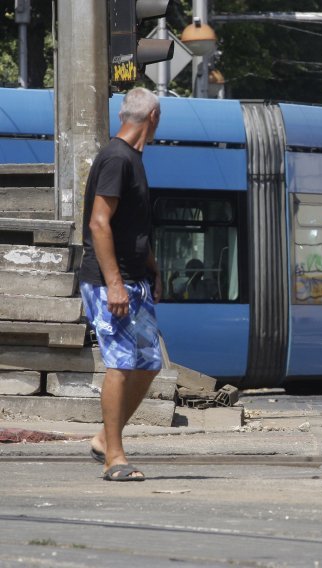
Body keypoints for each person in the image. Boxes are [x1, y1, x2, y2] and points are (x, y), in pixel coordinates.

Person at [78, 88, 163, 482]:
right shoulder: (116, 158)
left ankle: (103, 439)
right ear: (154, 117)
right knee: (122, 363)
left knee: (148, 363)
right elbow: (99, 223)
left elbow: (131, 227)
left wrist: (151, 265)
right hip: (112, 281)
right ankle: (114, 457)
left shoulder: (132, 159)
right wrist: (114, 284)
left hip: (135, 277)